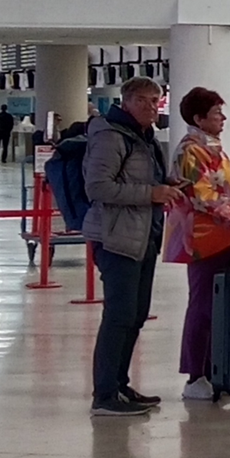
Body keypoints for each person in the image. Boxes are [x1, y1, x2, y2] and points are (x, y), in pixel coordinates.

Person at [84, 77, 180, 417]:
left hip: (144, 236)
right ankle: (104, 394)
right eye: (143, 101)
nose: (152, 107)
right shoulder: (111, 136)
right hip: (116, 238)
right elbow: (98, 187)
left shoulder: (145, 137)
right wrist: (150, 194)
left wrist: (166, 185)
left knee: (136, 315)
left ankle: (119, 385)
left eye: (156, 101)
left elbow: (144, 179)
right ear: (126, 102)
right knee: (119, 316)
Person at [173, 88, 230, 402]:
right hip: (203, 239)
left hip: (227, 236)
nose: (224, 119)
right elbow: (202, 195)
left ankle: (217, 368)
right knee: (202, 306)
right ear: (199, 118)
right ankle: (195, 375)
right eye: (217, 113)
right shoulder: (191, 150)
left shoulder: (213, 148)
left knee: (220, 307)